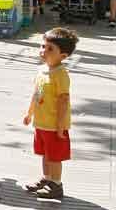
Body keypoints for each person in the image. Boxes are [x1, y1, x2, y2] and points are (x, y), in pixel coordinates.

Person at [23, 27, 77, 200]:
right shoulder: (42, 71)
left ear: (63, 56)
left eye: (50, 49)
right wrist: (29, 113)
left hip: (54, 125)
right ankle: (47, 179)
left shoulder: (60, 74)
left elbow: (63, 100)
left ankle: (56, 184)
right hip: (41, 123)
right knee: (45, 154)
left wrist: (61, 125)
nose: (44, 51)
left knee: (54, 157)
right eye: (43, 46)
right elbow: (37, 93)